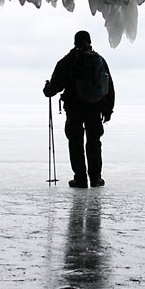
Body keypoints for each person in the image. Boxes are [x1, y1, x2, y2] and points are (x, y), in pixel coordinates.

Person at [43, 30, 115, 188]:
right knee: (94, 142)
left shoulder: (68, 61)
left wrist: (47, 88)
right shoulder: (99, 60)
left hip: (74, 108)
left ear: (75, 42)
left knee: (75, 143)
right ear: (89, 41)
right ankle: (96, 178)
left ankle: (80, 179)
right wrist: (108, 110)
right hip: (95, 108)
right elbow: (109, 86)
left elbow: (53, 88)